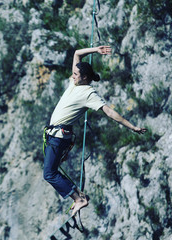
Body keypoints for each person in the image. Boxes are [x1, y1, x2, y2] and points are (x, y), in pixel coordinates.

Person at [43, 46, 147, 216]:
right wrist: (96, 50)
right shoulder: (74, 82)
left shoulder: (89, 93)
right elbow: (77, 53)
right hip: (55, 135)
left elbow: (110, 112)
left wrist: (132, 127)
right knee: (51, 170)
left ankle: (79, 199)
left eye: (76, 75)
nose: (72, 76)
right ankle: (78, 195)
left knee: (49, 173)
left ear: (84, 77)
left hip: (59, 137)